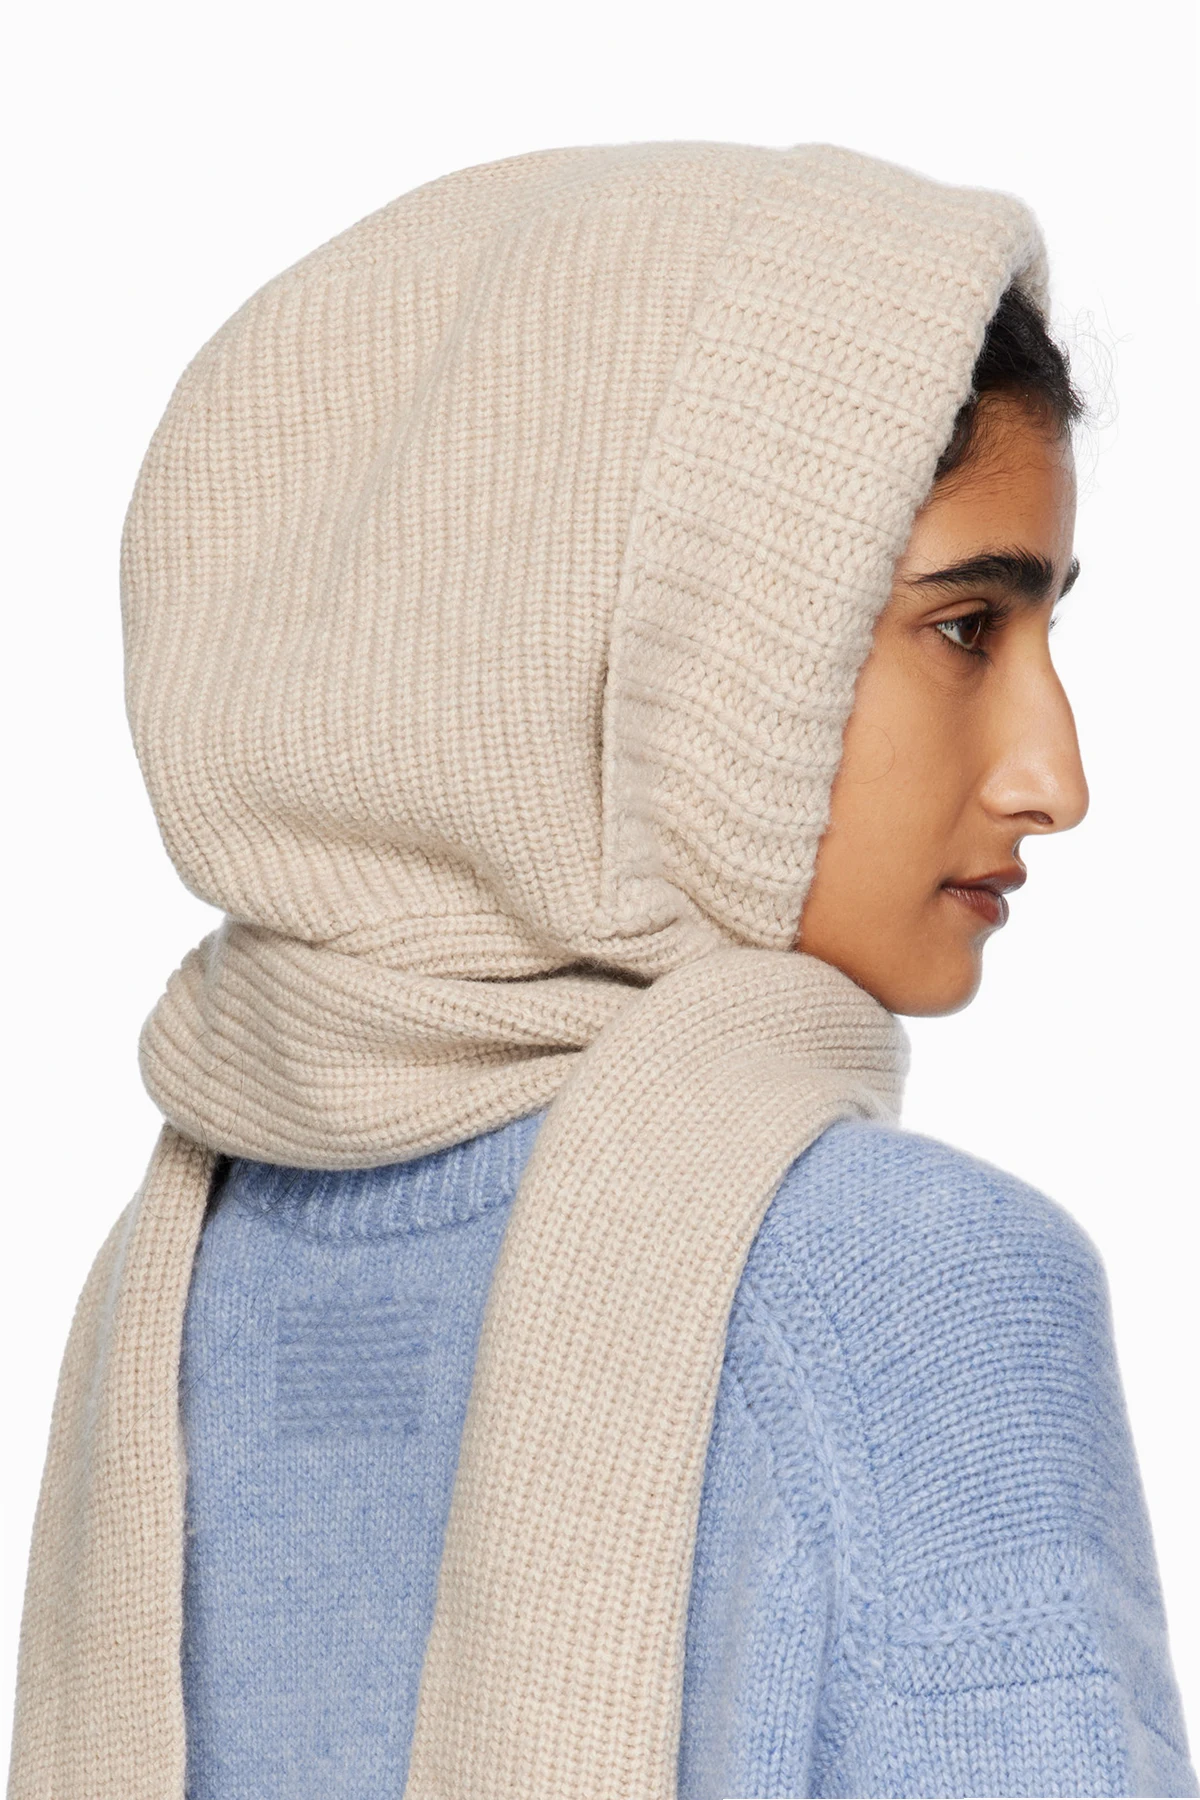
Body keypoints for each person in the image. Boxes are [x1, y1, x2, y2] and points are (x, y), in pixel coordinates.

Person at [7, 142, 1195, 1800]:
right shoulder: (911, 1294)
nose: (1054, 776)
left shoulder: (173, 1283)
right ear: (651, 645)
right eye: (962, 628)